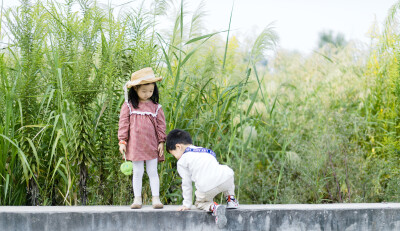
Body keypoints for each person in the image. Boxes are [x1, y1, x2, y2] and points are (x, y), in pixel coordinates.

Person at [166, 129, 239, 228]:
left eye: (173, 154)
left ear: (178, 147)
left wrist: (187, 204)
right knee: (227, 173)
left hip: (206, 188)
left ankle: (214, 207)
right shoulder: (204, 150)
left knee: (199, 203)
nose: (176, 157)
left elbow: (186, 183)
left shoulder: (182, 161)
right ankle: (231, 200)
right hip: (224, 179)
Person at [118, 67, 166, 209]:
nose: (147, 94)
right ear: (135, 89)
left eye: (150, 91)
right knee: (138, 172)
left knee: (153, 172)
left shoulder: (156, 107)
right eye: (144, 91)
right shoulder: (129, 106)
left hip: (151, 145)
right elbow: (123, 124)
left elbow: (161, 126)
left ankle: (156, 198)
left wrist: (161, 141)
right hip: (135, 145)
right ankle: (137, 199)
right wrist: (122, 141)